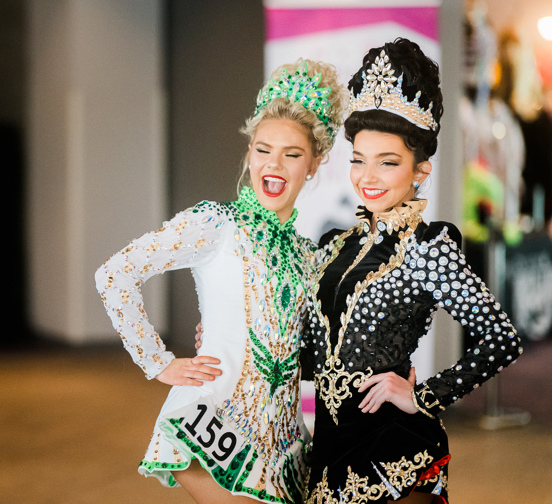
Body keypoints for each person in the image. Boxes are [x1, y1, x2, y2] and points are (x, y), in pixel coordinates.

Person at [95, 59, 347, 504]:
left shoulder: (309, 254)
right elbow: (114, 274)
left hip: (285, 442)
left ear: (314, 164)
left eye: (292, 154)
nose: (274, 165)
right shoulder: (215, 223)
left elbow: (300, 348)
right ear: (249, 151)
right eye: (263, 149)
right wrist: (158, 362)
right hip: (216, 420)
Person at [301, 38, 523, 504]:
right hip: (328, 450)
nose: (368, 177)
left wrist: (424, 396)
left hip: (393, 451)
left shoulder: (429, 249)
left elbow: (502, 339)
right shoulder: (335, 246)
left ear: (419, 171)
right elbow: (313, 356)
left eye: (388, 162)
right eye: (359, 160)